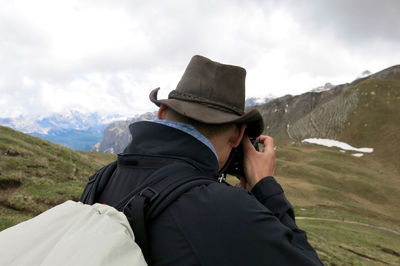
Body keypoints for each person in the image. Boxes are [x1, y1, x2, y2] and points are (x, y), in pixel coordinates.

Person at [82, 55, 323, 265]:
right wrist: (266, 188)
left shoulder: (102, 179)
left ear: (162, 114)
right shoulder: (228, 209)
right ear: (239, 135)